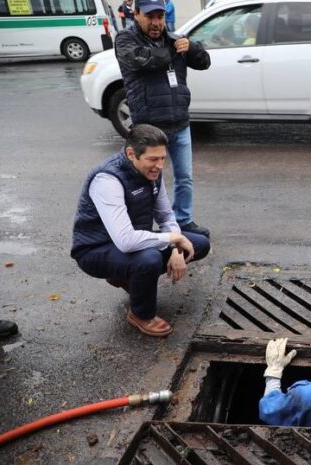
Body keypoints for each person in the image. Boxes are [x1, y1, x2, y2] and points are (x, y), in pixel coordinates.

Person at [71, 125, 211, 337]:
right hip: (95, 249)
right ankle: (140, 314)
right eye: (153, 159)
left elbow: (165, 215)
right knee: (149, 259)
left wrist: (175, 248)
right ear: (131, 154)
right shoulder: (107, 180)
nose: (159, 165)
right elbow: (126, 241)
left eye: (163, 158)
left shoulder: (153, 172)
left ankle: (128, 277)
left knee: (199, 244)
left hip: (134, 242)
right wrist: (174, 237)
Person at [115, 0, 211, 237]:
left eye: (160, 16)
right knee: (146, 180)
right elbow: (145, 60)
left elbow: (204, 62)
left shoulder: (174, 39)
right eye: (150, 17)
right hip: (148, 126)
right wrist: (173, 47)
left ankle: (184, 221)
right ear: (136, 14)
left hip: (179, 121)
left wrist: (191, 48)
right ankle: (141, 227)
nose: (157, 22)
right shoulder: (126, 40)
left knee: (185, 177)